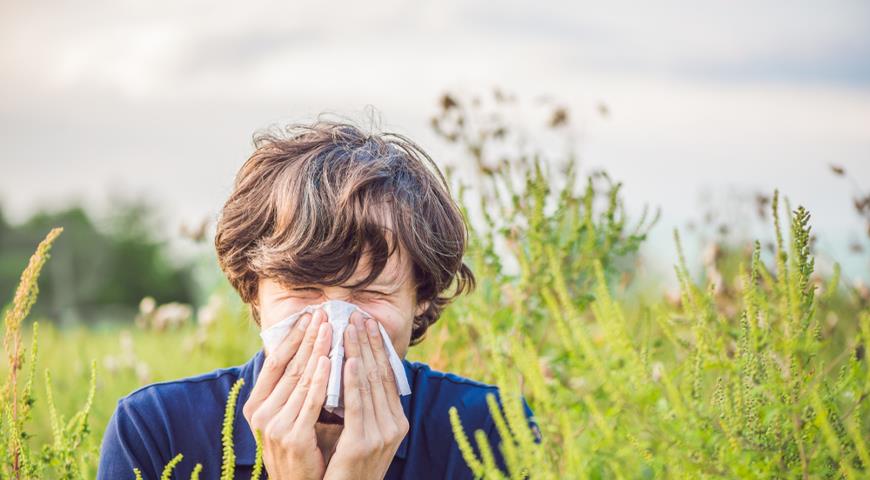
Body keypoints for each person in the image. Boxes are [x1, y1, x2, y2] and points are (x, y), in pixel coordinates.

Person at [97, 120, 541, 479]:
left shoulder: (488, 430)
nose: (334, 324)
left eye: (368, 293)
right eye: (303, 290)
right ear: (254, 292)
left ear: (421, 298)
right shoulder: (156, 431)